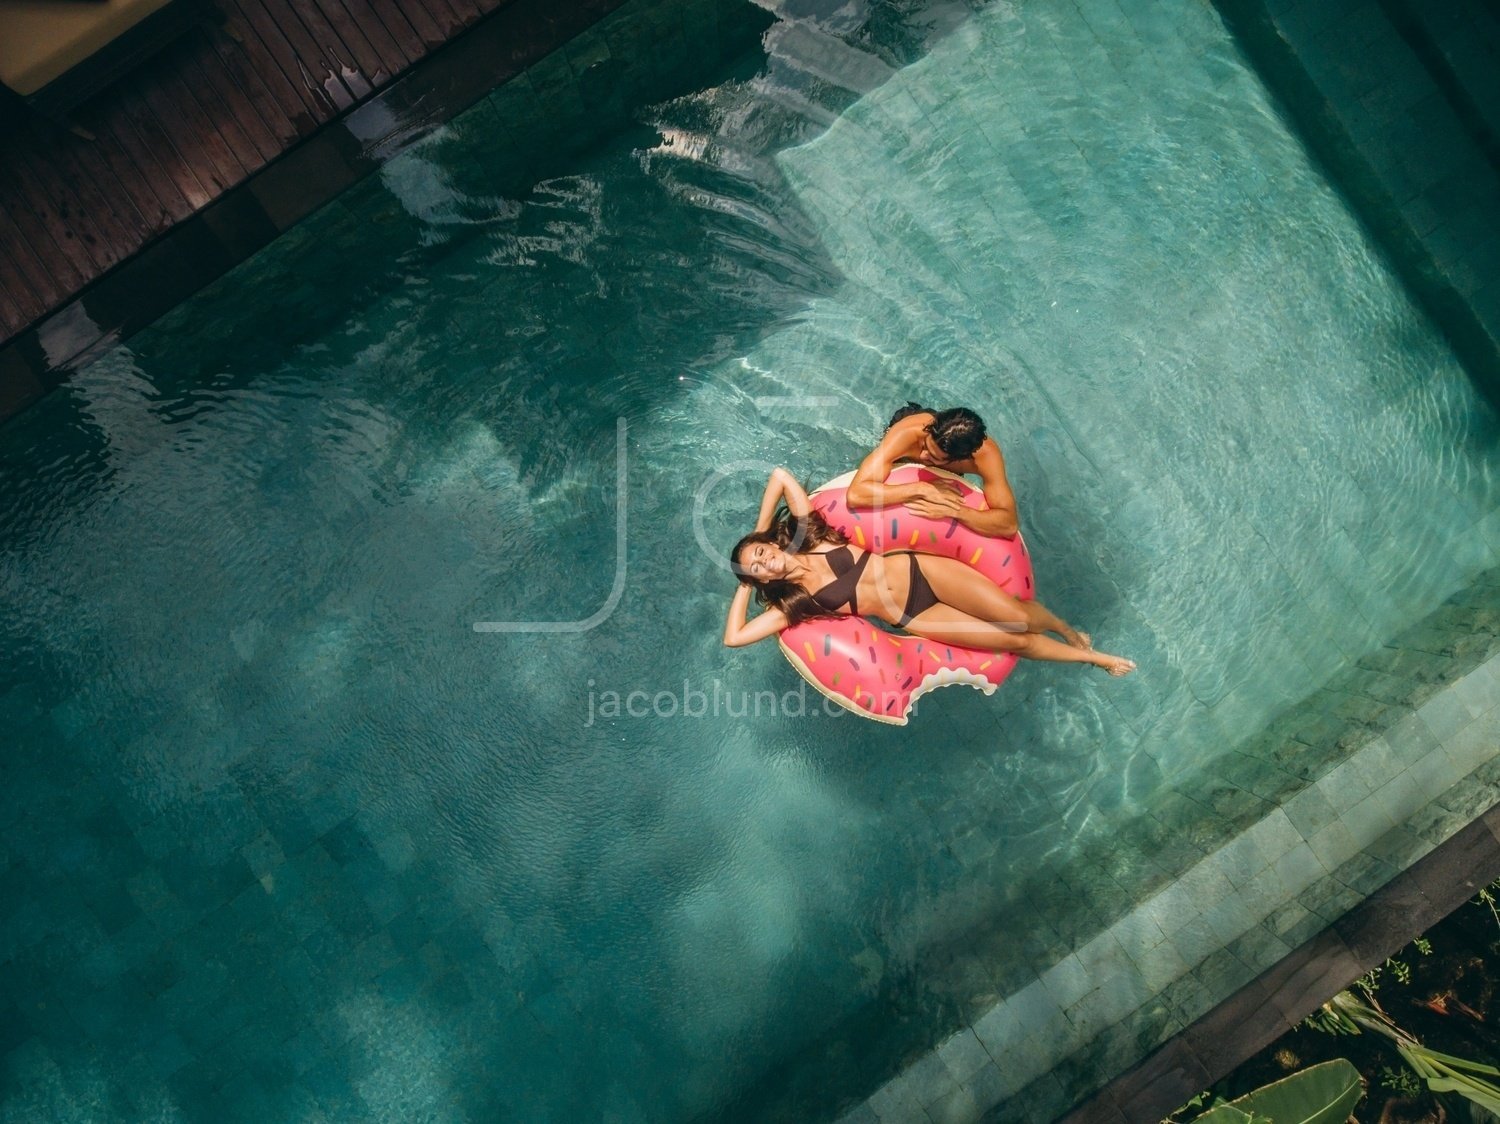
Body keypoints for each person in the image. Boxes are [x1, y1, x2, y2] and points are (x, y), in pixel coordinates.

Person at [723, 468, 1135, 675]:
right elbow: (735, 638)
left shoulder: (807, 536)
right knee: (1016, 642)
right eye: (757, 568)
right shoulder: (794, 604)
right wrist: (745, 582)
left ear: (771, 543)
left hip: (926, 572)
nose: (764, 561)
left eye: (760, 552)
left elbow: (779, 476)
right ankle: (1097, 660)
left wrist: (759, 529)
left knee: (1019, 615)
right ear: (762, 579)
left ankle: (1065, 629)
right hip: (914, 615)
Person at [846, 402, 1019, 538]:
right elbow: (856, 494)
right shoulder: (907, 434)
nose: (922, 455)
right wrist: (922, 489)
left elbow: (1009, 524)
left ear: (960, 460)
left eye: (934, 457)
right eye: (925, 446)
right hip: (911, 428)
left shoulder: (985, 457)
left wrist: (955, 511)